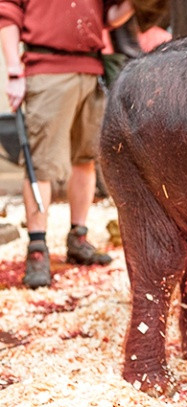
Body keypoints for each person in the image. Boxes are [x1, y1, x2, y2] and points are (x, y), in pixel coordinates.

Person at [0, 1, 134, 288]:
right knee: (42, 165)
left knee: (85, 159)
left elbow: (110, 17)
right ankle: (37, 249)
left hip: (92, 68)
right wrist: (13, 70)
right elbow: (7, 12)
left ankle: (78, 237)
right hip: (47, 71)